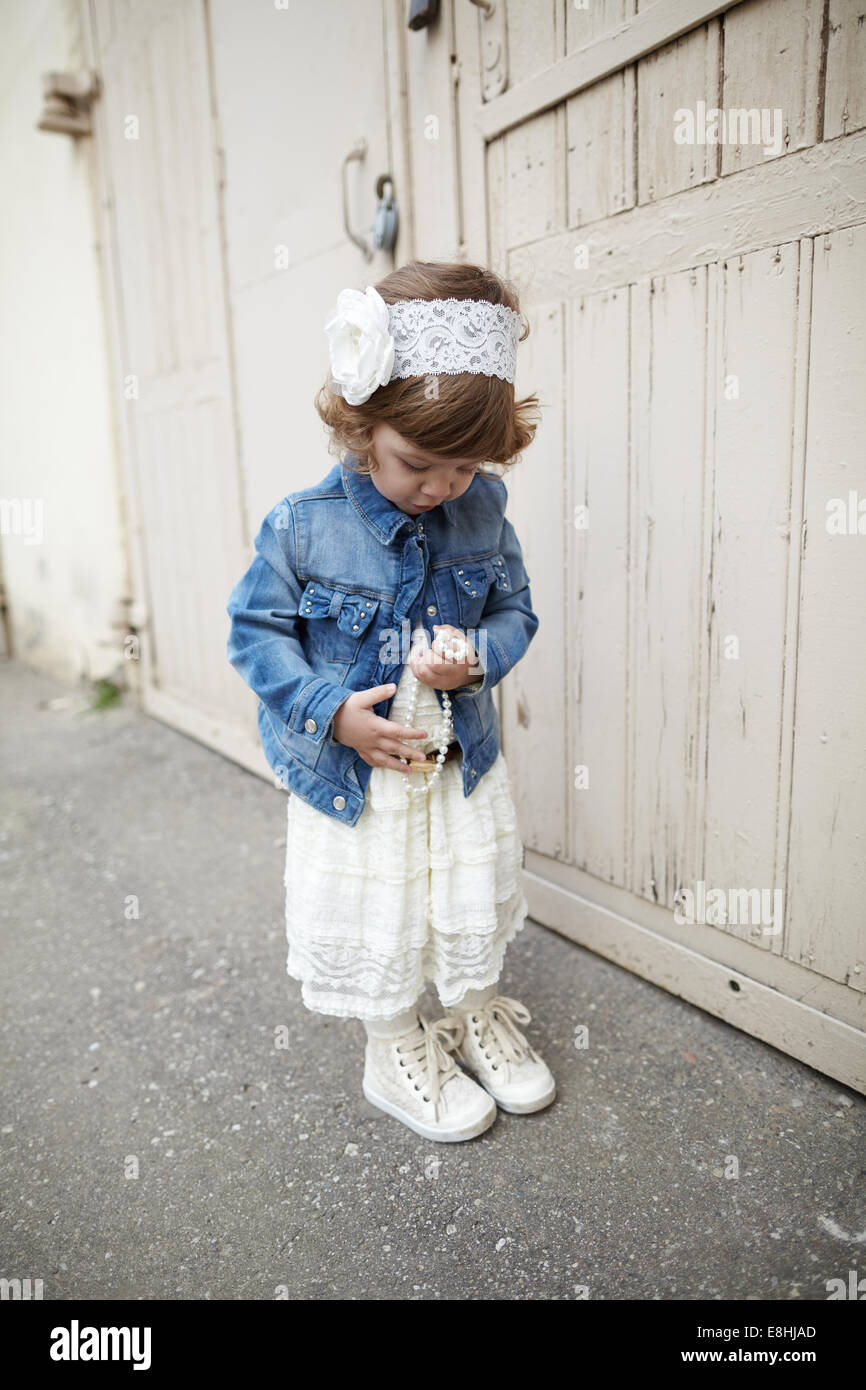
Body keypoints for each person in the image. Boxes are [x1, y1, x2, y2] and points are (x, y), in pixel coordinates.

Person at [226, 260, 556, 1142]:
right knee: (382, 905)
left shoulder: (483, 510)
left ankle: (475, 1008)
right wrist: (329, 711)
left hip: (454, 759)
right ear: (362, 422)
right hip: (358, 772)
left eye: (463, 466)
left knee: (462, 887)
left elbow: (517, 610)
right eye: (418, 463)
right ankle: (394, 1042)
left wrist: (478, 657)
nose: (441, 487)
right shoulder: (303, 525)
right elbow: (254, 633)